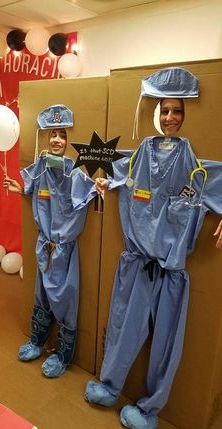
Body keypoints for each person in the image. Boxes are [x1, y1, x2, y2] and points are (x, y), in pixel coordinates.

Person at [84, 67, 222, 429]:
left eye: (177, 111)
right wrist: (101, 182)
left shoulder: (198, 169)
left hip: (172, 272)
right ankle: (110, 386)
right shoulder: (137, 156)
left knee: (165, 346)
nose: (171, 117)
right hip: (134, 264)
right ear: (156, 115)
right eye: (164, 110)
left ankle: (149, 410)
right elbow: (106, 170)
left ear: (187, 114)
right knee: (120, 329)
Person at [3, 104, 97, 378]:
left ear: (69, 140)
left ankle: (64, 357)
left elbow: (92, 193)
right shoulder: (40, 167)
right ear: (46, 137)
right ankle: (36, 340)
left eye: (63, 135)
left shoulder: (76, 173)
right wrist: (20, 190)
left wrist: (100, 186)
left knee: (66, 300)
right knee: (41, 294)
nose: (57, 139)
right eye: (53, 134)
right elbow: (32, 191)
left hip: (65, 250)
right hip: (44, 246)